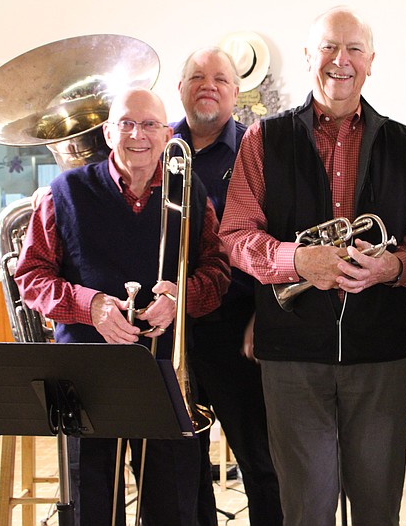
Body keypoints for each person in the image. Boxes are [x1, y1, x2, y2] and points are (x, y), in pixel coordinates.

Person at [219, 6, 406, 526]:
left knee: (378, 507)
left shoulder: (405, 143)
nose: (342, 60)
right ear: (309, 55)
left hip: (379, 353)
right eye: (329, 48)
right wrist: (297, 259)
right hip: (293, 355)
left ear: (371, 62)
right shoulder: (262, 139)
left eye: (354, 49)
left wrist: (391, 267)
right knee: (306, 509)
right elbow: (236, 234)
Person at [15, 87, 232, 526]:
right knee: (92, 501)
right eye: (126, 124)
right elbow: (31, 277)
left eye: (150, 124)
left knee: (174, 500)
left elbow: (218, 272)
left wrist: (179, 298)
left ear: (168, 132)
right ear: (109, 132)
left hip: (165, 372)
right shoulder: (65, 192)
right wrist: (89, 305)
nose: (138, 134)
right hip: (88, 375)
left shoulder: (189, 192)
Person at [171, 46, 282, 526]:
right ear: (180, 89)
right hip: (168, 327)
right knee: (180, 464)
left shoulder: (256, 150)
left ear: (237, 91)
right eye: (197, 77)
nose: (208, 85)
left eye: (220, 78)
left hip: (237, 326)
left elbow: (278, 238)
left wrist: (265, 312)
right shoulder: (157, 146)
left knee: (260, 459)